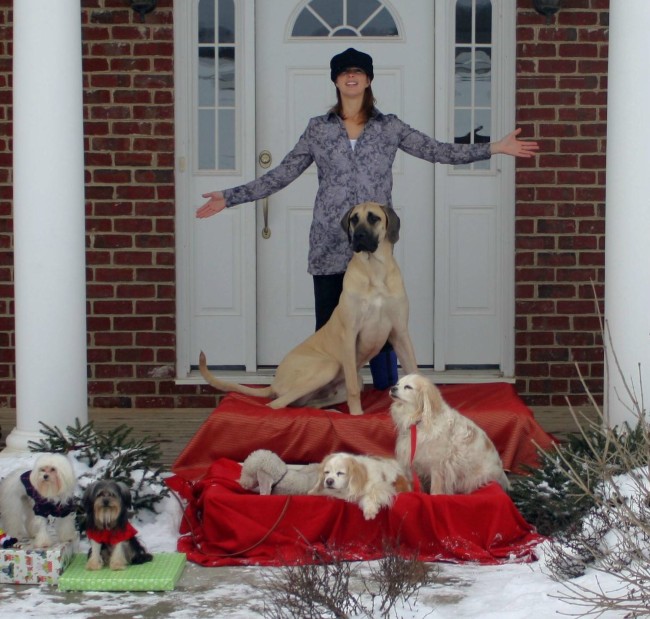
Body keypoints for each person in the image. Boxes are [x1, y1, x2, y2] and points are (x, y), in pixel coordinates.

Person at [196, 47, 539, 389]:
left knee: (384, 325)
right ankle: (328, 393)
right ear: (335, 80)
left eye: (358, 71)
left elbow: (437, 150)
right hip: (330, 241)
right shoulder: (318, 130)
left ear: (369, 79)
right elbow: (282, 174)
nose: (351, 76)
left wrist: (493, 147)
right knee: (332, 327)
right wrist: (230, 197)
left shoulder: (388, 127)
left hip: (375, 245)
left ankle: (387, 394)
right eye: (344, 71)